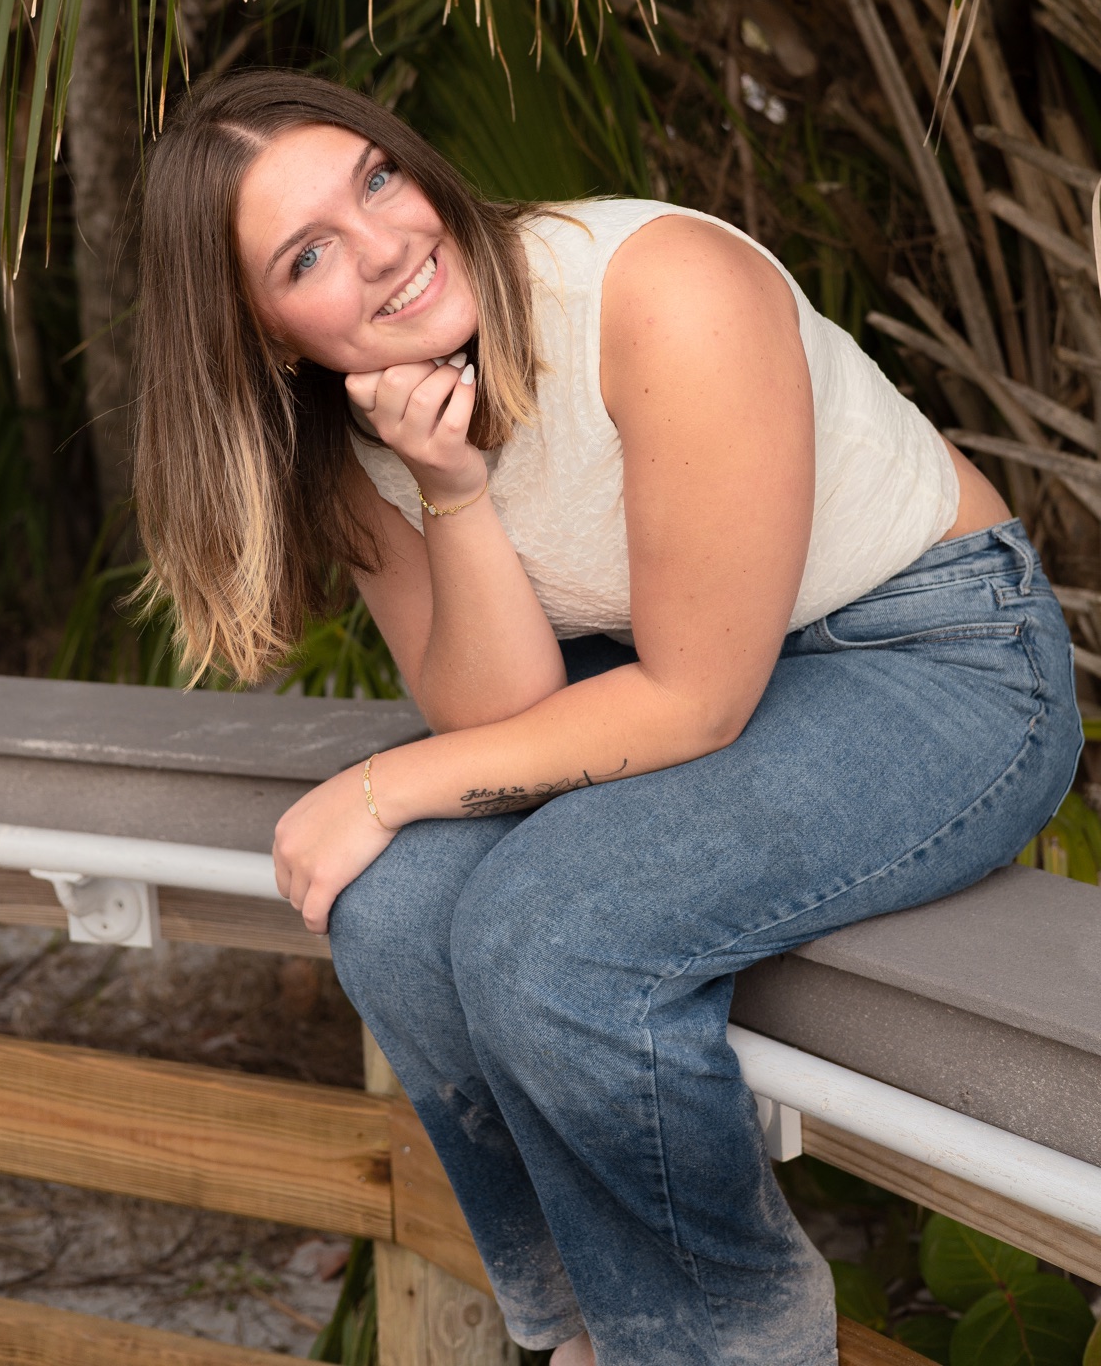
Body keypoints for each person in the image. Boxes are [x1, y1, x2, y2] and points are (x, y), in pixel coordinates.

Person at [133, 69, 1081, 1366]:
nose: (388, 247)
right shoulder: (350, 437)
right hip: (682, 681)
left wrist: (377, 788)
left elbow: (693, 700)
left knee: (554, 939)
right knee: (399, 915)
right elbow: (500, 711)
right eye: (309, 255)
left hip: (937, 661)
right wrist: (452, 488)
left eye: (376, 179)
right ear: (264, 334)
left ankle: (727, 1351)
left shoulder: (656, 292)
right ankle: (576, 1332)